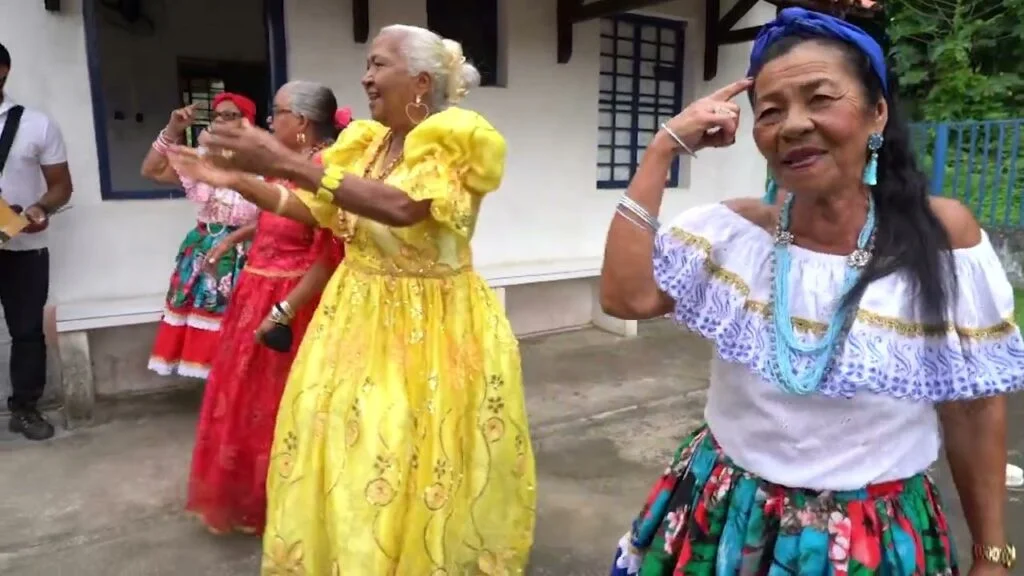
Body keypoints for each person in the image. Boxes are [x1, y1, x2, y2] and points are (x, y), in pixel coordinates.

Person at [601, 8, 1020, 576]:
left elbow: (974, 407)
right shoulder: (733, 234)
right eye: (770, 112)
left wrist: (992, 555)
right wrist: (663, 149)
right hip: (727, 516)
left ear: (877, 114)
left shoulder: (942, 238)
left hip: (875, 537)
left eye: (820, 98)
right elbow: (625, 298)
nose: (793, 124)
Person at [167, 24, 536, 575]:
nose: (365, 76)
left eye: (378, 64)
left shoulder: (456, 136)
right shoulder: (365, 145)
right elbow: (313, 212)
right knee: (342, 441)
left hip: (430, 324)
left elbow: (405, 207)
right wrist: (237, 178)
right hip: (354, 312)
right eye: (367, 63)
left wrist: (287, 163)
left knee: (408, 445)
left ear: (419, 80)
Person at [185, 81, 348, 535]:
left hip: (294, 301)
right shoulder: (283, 168)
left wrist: (284, 310)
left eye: (278, 113)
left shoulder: (325, 169)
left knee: (283, 405)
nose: (271, 122)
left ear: (301, 121)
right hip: (254, 292)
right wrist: (232, 241)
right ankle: (249, 498)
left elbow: (329, 251)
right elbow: (271, 221)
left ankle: (288, 501)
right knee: (243, 399)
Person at [141, 93, 260, 379]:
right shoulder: (202, 161)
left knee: (241, 334)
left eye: (230, 115)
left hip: (246, 255)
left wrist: (232, 240)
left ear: (248, 122)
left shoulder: (263, 166)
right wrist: (173, 131)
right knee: (208, 342)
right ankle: (215, 402)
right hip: (203, 254)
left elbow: (274, 217)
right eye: (217, 115)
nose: (221, 121)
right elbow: (151, 170)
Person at [0, 41, 73, 441]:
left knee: (27, 330)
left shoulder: (36, 124)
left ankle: (25, 408)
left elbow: (61, 186)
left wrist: (38, 210)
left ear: (3, 71)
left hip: (22, 248)